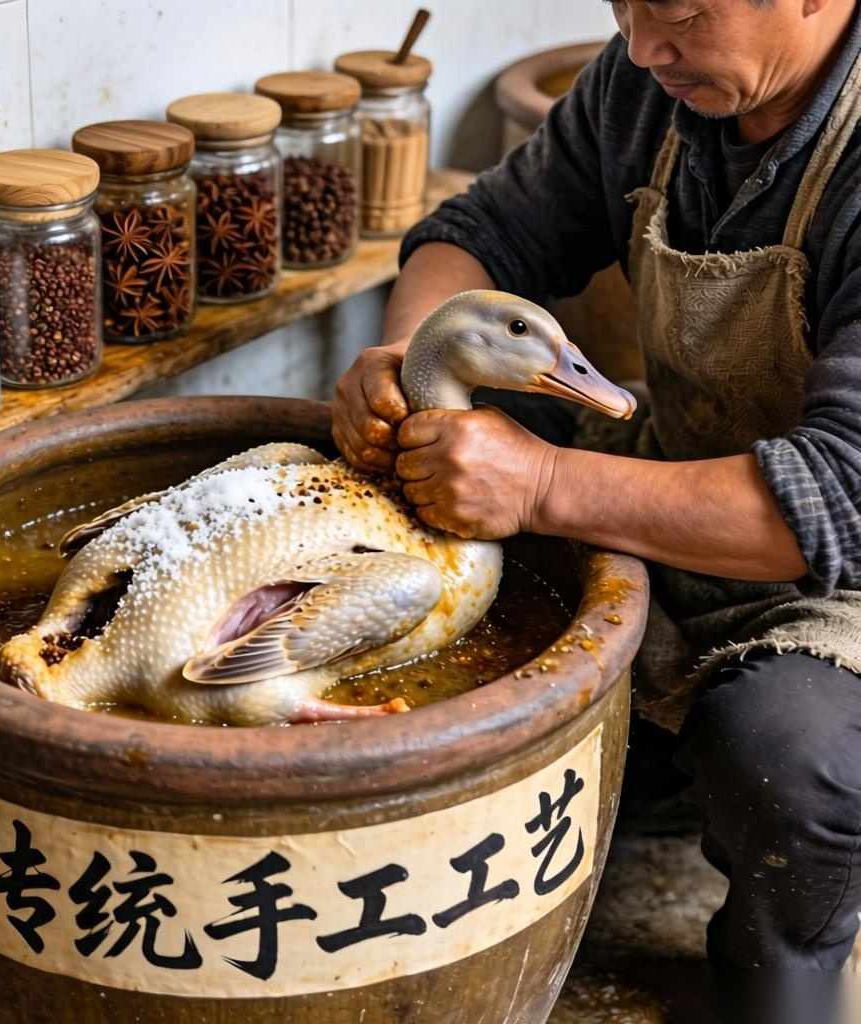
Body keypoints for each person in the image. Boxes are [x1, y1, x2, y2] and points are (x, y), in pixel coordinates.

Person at [331, 2, 861, 1021]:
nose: (644, 46)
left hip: (839, 577)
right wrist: (413, 368)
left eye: (681, 16)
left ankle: (784, 976)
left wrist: (536, 485)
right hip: (675, 485)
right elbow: (480, 237)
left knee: (791, 764)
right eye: (627, 7)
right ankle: (654, 769)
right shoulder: (646, 86)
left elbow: (834, 500)